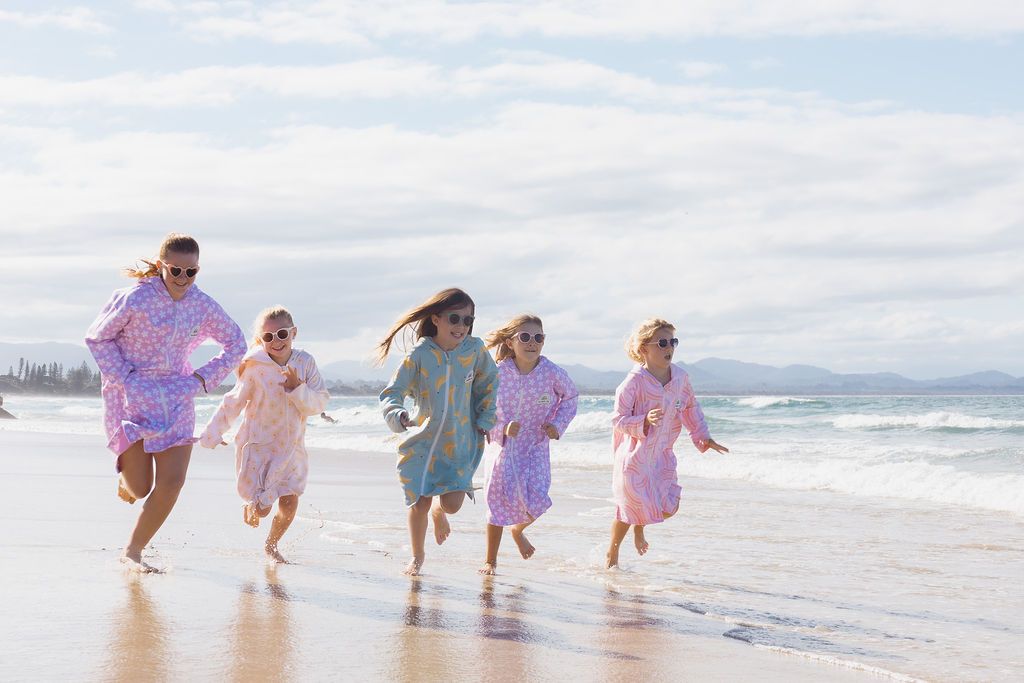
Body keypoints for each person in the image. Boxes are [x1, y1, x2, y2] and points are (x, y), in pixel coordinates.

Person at [85, 233, 246, 572]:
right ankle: (128, 481)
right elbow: (98, 337)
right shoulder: (135, 299)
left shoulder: (202, 305)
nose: (184, 279)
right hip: (131, 397)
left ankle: (133, 551)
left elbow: (236, 344)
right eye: (176, 271)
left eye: (192, 272)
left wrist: (201, 380)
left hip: (177, 396)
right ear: (161, 267)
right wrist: (125, 378)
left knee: (172, 483)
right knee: (140, 488)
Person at [376, 287, 499, 576]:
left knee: (453, 504)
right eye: (454, 318)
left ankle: (439, 513)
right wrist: (397, 413)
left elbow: (489, 383)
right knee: (419, 500)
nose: (461, 326)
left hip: (459, 441)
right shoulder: (420, 354)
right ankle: (417, 557)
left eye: (468, 320)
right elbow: (393, 391)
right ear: (436, 319)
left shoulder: (475, 351)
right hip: (423, 440)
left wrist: (486, 416)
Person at [200, 306, 330, 563]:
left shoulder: (305, 363)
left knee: (290, 503)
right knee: (262, 509)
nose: (276, 341)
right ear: (260, 340)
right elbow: (233, 402)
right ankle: (252, 507)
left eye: (282, 334)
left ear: (294, 332)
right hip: (259, 445)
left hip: (292, 448)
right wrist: (212, 433)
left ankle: (271, 545)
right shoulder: (255, 368)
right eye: (268, 337)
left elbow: (320, 403)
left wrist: (297, 389)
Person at [606, 318, 728, 569]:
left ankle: (640, 526)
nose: (668, 347)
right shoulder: (633, 382)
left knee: (669, 505)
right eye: (661, 342)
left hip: (662, 454)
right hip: (635, 455)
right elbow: (618, 419)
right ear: (643, 349)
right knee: (630, 506)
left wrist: (703, 436)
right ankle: (612, 555)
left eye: (672, 342)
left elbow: (691, 408)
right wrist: (643, 421)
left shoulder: (680, 379)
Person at [479, 314, 577, 575]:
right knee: (497, 500)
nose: (532, 343)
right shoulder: (498, 373)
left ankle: (518, 530)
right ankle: (490, 560)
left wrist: (557, 425)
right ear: (511, 342)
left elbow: (571, 397)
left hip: (535, 444)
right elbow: (483, 407)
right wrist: (500, 428)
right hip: (503, 447)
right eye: (525, 337)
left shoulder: (551, 372)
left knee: (538, 498)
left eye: (538, 337)